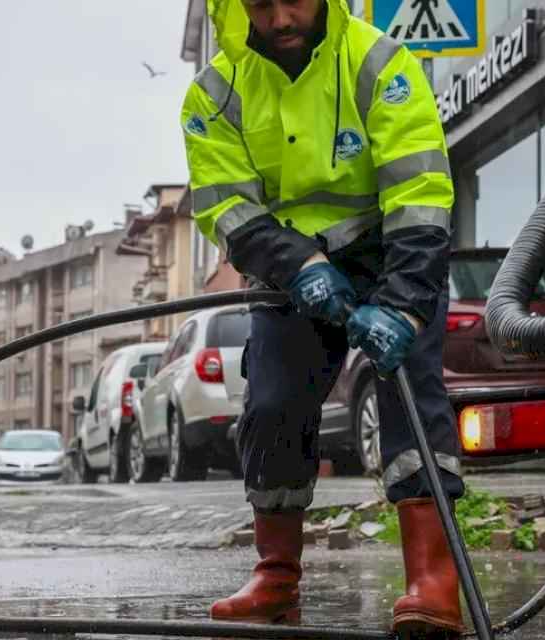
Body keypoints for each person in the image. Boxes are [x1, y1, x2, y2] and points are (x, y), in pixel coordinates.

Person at [179, 0, 464, 634]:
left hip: (389, 250)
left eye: (296, 0)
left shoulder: (377, 61)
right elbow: (224, 206)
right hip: (288, 265)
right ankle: (275, 576)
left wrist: (404, 307)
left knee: (411, 387)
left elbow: (419, 191)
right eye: (260, 5)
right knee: (274, 402)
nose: (281, 19)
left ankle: (432, 579)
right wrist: (299, 263)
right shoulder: (212, 94)